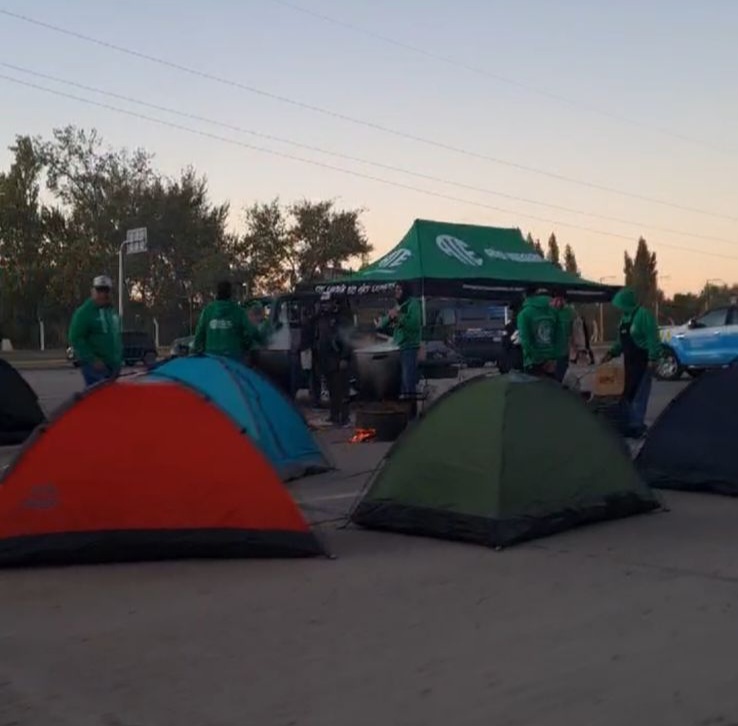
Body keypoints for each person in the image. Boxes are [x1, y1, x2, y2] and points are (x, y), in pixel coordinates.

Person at [602, 287, 662, 438]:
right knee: (628, 393)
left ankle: (637, 426)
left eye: (620, 305)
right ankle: (628, 424)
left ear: (626, 303)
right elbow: (620, 341)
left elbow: (653, 338)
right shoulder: (624, 318)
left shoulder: (643, 315)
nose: (618, 309)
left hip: (643, 361)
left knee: (639, 394)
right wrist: (612, 352)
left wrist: (653, 358)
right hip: (629, 362)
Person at [69, 275, 123, 388]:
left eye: (106, 291)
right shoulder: (84, 313)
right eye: (99, 291)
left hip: (113, 366)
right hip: (95, 368)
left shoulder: (111, 312)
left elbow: (116, 337)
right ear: (92, 291)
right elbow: (76, 338)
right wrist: (92, 360)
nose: (103, 295)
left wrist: (119, 360)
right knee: (100, 399)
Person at [194, 280, 264, 360]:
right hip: (233, 358)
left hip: (212, 357)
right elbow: (251, 331)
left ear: (217, 293)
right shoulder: (238, 311)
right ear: (230, 293)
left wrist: (195, 350)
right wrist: (264, 341)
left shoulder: (208, 311)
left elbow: (199, 334)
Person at [377, 282, 422, 399]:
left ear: (405, 290)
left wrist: (399, 316)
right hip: (397, 348)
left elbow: (414, 324)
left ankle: (411, 410)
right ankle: (403, 410)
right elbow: (383, 323)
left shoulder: (413, 304)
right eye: (395, 289)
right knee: (400, 381)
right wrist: (384, 321)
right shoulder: (398, 305)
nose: (396, 292)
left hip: (409, 347)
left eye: (399, 289)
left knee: (408, 380)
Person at [317, 295, 351, 426]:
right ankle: (334, 415)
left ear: (333, 303)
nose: (325, 305)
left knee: (341, 390)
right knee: (332, 391)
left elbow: (347, 341)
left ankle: (344, 417)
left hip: (338, 360)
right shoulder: (321, 319)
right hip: (326, 361)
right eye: (323, 303)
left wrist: (344, 357)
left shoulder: (341, 319)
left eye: (327, 303)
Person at [516, 288, 559, 377]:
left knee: (534, 389)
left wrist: (536, 358)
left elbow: (525, 340)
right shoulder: (553, 312)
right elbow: (559, 337)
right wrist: (553, 357)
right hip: (551, 361)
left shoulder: (524, 314)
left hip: (532, 361)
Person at [551, 294, 574, 382]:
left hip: (564, 350)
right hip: (552, 352)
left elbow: (573, 330)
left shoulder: (569, 312)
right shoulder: (550, 312)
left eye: (561, 300)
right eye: (557, 300)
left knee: (562, 374)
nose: (559, 303)